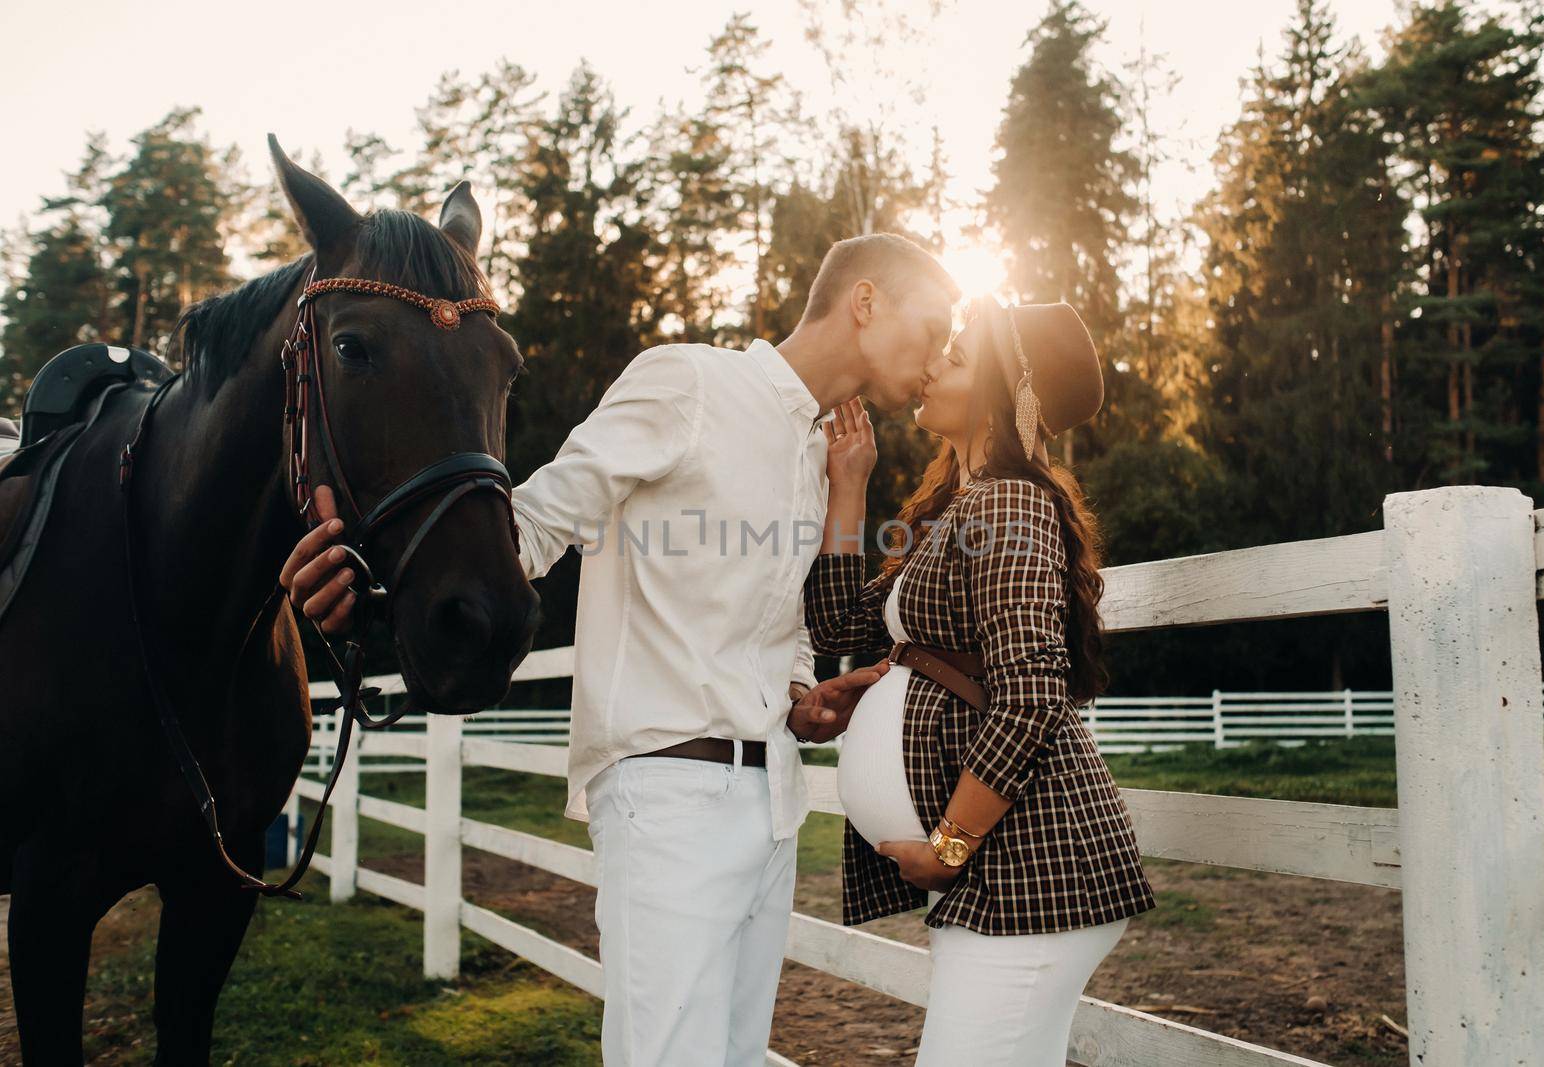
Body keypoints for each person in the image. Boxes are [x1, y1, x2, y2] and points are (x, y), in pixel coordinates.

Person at [281, 233, 963, 1065]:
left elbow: (779, 626)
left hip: (776, 805)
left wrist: (799, 695)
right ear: (866, 303)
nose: (938, 353)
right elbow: (536, 521)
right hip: (668, 794)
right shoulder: (690, 382)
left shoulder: (821, 449)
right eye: (932, 325)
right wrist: (372, 585)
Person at [804, 295, 1157, 1066]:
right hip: (1000, 871)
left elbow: (1031, 694)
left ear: (1010, 390)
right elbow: (834, 627)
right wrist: (849, 486)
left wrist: (951, 846)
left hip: (1033, 866)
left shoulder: (1013, 503)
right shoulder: (957, 511)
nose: (932, 365)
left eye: (956, 358)